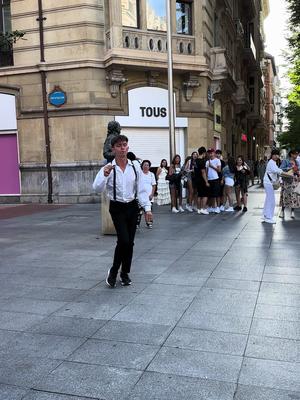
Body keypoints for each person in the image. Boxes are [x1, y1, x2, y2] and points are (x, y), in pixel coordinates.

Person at [93, 135, 152, 288]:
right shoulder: (108, 168)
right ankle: (113, 271)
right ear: (113, 149)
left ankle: (124, 272)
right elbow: (97, 188)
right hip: (117, 207)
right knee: (124, 240)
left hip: (132, 206)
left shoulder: (134, 167)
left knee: (129, 243)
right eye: (119, 146)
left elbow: (141, 190)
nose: (122, 148)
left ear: (128, 147)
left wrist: (147, 208)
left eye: (124, 145)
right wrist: (104, 176)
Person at [262, 149, 283, 224]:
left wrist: (281, 171)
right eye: (276, 155)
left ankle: (265, 216)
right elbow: (276, 170)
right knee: (271, 201)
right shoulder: (271, 162)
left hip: (268, 182)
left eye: (278, 155)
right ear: (273, 155)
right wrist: (283, 172)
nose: (277, 156)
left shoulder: (273, 162)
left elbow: (276, 170)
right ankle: (268, 217)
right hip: (268, 182)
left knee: (268, 199)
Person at [279, 150, 300, 219]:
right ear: (291, 154)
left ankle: (292, 211)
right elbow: (281, 169)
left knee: (294, 196)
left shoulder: (296, 162)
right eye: (295, 154)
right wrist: (290, 168)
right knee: (285, 195)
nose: (296, 156)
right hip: (287, 181)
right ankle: (282, 211)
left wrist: (297, 173)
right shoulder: (286, 161)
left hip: (294, 181)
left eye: (297, 154)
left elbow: (298, 170)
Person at [141, 160, 156, 228]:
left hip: (149, 195)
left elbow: (154, 185)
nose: (146, 166)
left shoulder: (151, 174)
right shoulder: (139, 174)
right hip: (141, 196)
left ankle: (149, 223)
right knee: (140, 211)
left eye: (147, 165)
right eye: (144, 165)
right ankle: (137, 223)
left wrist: (152, 194)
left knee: (148, 211)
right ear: (142, 166)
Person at [194, 147, 210, 215]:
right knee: (205, 195)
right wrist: (206, 181)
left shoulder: (196, 161)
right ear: (203, 153)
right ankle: (203, 209)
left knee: (199, 195)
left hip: (197, 180)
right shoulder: (202, 161)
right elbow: (203, 172)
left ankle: (199, 209)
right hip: (201, 180)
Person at [206, 148, 221, 213]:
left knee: (216, 194)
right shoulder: (207, 162)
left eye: (211, 152)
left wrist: (212, 166)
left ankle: (217, 207)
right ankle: (211, 207)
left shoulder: (217, 160)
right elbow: (206, 172)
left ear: (214, 153)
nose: (210, 154)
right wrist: (206, 180)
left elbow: (219, 170)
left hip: (215, 179)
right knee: (210, 194)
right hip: (209, 179)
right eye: (209, 153)